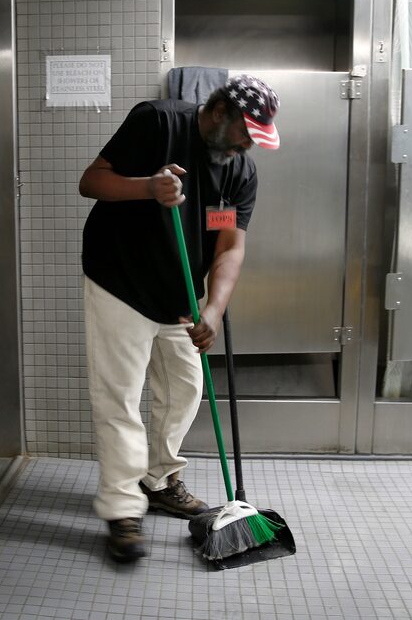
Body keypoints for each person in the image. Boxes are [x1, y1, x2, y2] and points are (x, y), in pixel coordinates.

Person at [78, 75, 280, 563]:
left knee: (186, 387)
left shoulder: (238, 173)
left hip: (181, 296)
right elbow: (92, 182)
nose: (247, 146)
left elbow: (229, 246)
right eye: (244, 133)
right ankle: (122, 506)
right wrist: (148, 186)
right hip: (120, 281)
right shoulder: (157, 122)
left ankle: (158, 477)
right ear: (217, 113)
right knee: (120, 397)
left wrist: (212, 308)